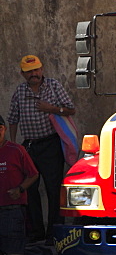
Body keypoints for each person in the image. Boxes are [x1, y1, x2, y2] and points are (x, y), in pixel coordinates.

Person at [8, 55, 75, 242]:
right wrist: (14, 146)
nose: (33, 74)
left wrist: (51, 108)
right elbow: (13, 119)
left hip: (51, 145)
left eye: (36, 70)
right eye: (29, 71)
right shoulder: (20, 91)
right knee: (30, 190)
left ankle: (54, 233)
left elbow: (71, 109)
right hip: (29, 147)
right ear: (22, 74)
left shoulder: (53, 86)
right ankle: (36, 232)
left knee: (54, 189)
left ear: (42, 69)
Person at [0, 115, 52, 255]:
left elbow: (33, 174)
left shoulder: (16, 150)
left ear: (3, 130)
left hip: (12, 213)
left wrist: (20, 189)